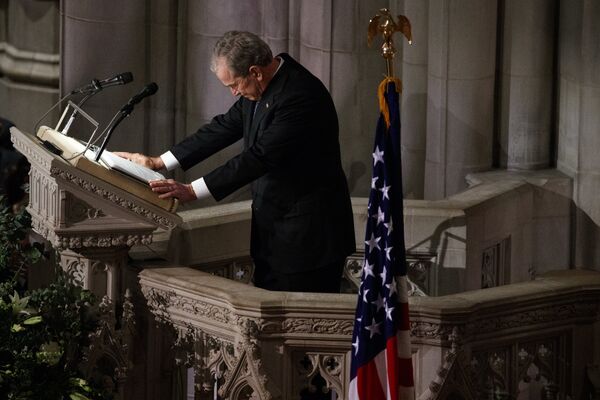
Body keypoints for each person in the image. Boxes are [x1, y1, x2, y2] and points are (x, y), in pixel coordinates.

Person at [118, 31, 355, 292]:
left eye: (234, 85)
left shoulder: (299, 96)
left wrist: (191, 191)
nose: (233, 93)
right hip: (274, 234)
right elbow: (222, 128)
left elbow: (259, 157)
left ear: (255, 72)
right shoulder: (258, 89)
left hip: (308, 240)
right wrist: (158, 162)